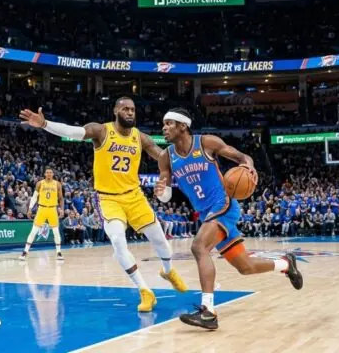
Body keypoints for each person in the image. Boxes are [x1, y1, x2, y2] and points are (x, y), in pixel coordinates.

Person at [20, 97, 187, 313]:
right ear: (116, 111)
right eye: (125, 109)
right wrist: (44, 124)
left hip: (134, 196)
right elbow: (73, 132)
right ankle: (145, 290)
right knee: (118, 240)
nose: (130, 113)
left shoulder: (141, 137)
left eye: (133, 110)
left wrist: (186, 162)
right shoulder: (101, 131)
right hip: (108, 198)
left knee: (161, 241)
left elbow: (162, 156)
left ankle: (168, 271)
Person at [156, 108, 303, 330]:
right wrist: (160, 191)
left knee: (198, 247)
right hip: (206, 215)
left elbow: (242, 157)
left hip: (223, 206)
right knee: (245, 267)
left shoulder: (206, 142)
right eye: (163, 124)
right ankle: (285, 264)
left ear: (183, 126)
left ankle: (208, 312)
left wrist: (248, 167)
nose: (164, 128)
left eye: (169, 124)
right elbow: (165, 194)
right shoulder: (166, 156)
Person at [20, 168, 63, 261]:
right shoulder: (40, 183)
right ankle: (25, 252)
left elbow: (61, 198)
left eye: (50, 172)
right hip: (42, 209)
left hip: (52, 209)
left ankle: (59, 253)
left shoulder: (57, 184)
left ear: (53, 174)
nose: (49, 174)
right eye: (47, 172)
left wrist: (62, 209)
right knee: (33, 231)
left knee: (56, 232)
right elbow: (34, 197)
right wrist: (30, 208)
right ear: (44, 174)